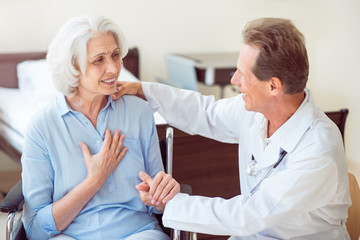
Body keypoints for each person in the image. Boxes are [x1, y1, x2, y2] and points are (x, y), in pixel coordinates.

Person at [113, 18, 351, 239]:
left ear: (274, 86)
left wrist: (172, 203)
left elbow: (248, 214)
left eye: (243, 74)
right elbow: (206, 113)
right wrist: (142, 90)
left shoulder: (319, 149)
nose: (234, 80)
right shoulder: (255, 112)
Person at [21, 15, 177, 240]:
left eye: (115, 55)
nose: (113, 68)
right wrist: (94, 181)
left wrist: (162, 198)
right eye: (99, 60)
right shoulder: (42, 128)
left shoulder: (139, 112)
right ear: (72, 66)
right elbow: (36, 229)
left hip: (138, 232)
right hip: (70, 235)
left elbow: (157, 206)